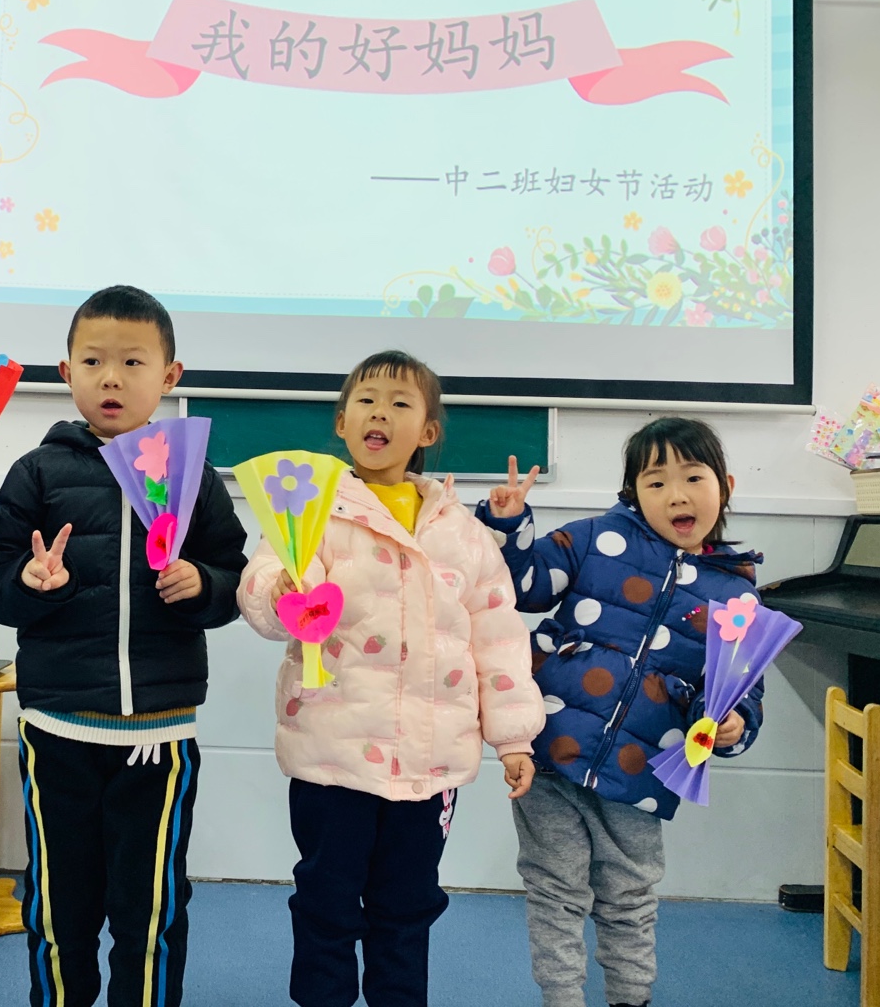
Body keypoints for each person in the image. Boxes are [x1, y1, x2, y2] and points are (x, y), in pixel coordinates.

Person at [237, 349, 545, 1007]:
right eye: (367, 401)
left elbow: (498, 638)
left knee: (407, 907)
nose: (381, 412)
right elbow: (263, 588)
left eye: (400, 403)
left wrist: (514, 737)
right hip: (332, 756)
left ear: (427, 431)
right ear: (342, 422)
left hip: (430, 765)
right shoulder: (311, 511)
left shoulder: (463, 534)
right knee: (325, 900)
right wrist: (280, 590)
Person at [0, 285, 248, 1007]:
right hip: (57, 728)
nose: (112, 378)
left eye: (133, 361)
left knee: (149, 909)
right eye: (93, 361)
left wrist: (205, 584)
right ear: (66, 372)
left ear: (170, 375)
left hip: (158, 733)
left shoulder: (191, 475)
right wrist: (33, 583)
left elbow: (235, 579)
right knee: (58, 905)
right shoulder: (37, 471)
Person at [477, 416, 766, 1007]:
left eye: (693, 477)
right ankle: (562, 999)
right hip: (551, 751)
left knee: (629, 900)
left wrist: (734, 723)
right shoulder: (596, 538)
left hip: (641, 772)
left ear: (726, 487)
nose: (676, 495)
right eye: (655, 482)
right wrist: (507, 524)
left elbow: (741, 691)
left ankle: (631, 999)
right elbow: (522, 586)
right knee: (555, 892)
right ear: (633, 493)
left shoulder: (736, 594)